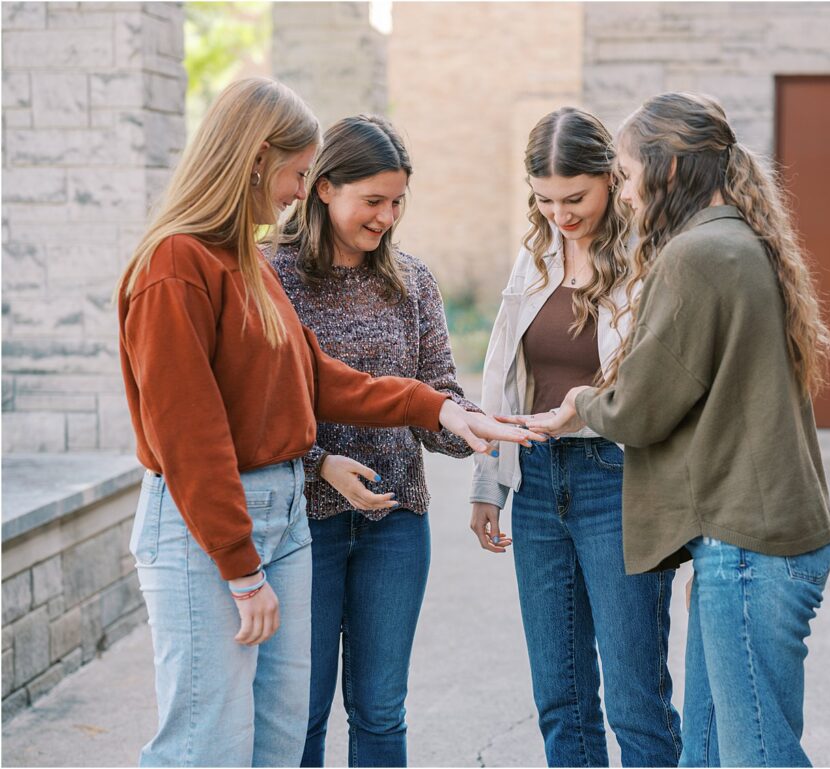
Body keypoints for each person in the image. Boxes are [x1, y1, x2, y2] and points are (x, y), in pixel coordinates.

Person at [115, 78, 541, 768]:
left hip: (276, 514)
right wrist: (241, 567)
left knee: (279, 738)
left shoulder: (242, 261)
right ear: (254, 159)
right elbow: (188, 436)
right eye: (295, 172)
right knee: (208, 741)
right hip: (216, 520)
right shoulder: (176, 265)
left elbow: (313, 379)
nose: (295, 189)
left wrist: (440, 408)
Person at [517, 92, 830, 768]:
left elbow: (640, 406)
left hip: (751, 547)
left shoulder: (698, 255)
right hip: (752, 542)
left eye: (627, 175)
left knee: (757, 756)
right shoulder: (737, 240)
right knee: (706, 754)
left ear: (666, 169)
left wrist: (580, 400)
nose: (625, 193)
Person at [469, 107, 682, 767]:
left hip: (617, 479)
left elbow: (654, 384)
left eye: (575, 197)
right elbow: (501, 371)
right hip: (536, 484)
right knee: (560, 695)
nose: (560, 213)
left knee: (633, 695)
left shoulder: (649, 256)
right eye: (544, 199)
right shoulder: (534, 257)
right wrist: (489, 485)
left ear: (611, 179)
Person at [269, 114, 479, 768]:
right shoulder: (271, 278)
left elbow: (435, 390)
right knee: (298, 711)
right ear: (324, 188)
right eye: (373, 201)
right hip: (303, 525)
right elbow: (256, 407)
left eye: (397, 202)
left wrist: (473, 425)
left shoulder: (410, 281)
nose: (387, 217)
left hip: (395, 522)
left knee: (381, 710)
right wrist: (318, 463)